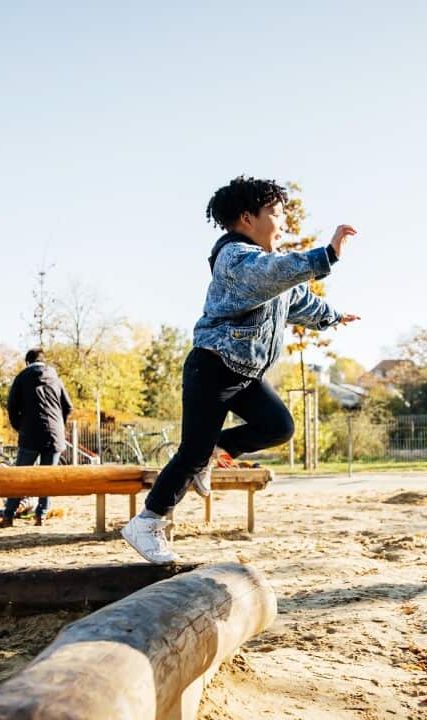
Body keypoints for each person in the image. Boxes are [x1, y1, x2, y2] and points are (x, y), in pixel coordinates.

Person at [121, 175, 360, 564]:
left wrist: (333, 316)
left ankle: (219, 451)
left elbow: (298, 300)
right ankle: (147, 521)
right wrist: (326, 254)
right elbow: (277, 273)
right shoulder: (236, 258)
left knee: (279, 426)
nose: (282, 224)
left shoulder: (267, 269)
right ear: (248, 219)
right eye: (276, 215)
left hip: (245, 373)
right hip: (213, 367)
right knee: (192, 453)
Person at [1, 349, 73, 527]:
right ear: (43, 361)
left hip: (30, 434)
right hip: (55, 435)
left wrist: (20, 426)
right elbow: (68, 406)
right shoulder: (55, 378)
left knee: (20, 476)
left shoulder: (22, 377)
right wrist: (59, 425)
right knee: (47, 478)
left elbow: (11, 406)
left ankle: (9, 515)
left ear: (27, 362)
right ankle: (40, 515)